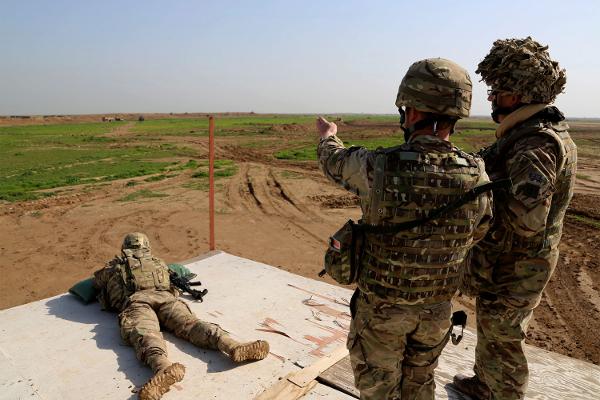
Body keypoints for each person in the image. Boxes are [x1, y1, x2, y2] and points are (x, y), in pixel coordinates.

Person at [317, 58, 493, 400]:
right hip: (436, 313)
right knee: (420, 385)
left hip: (382, 313)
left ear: (411, 112)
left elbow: (332, 162)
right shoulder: (477, 174)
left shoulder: (377, 166)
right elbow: (479, 231)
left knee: (379, 390)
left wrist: (328, 137)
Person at [454, 37, 576, 400]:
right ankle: (485, 383)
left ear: (522, 95)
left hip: (518, 263)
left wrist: (479, 197)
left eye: (500, 91)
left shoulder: (535, 143)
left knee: (504, 332)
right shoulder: (530, 132)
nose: (492, 98)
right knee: (495, 326)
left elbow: (527, 219)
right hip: (514, 260)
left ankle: (502, 393)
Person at [93, 232, 270, 400]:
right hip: (166, 298)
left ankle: (163, 367)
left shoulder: (116, 266)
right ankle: (232, 345)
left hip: (137, 302)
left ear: (125, 247)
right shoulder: (158, 262)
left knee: (146, 333)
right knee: (192, 325)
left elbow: (96, 284)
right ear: (147, 247)